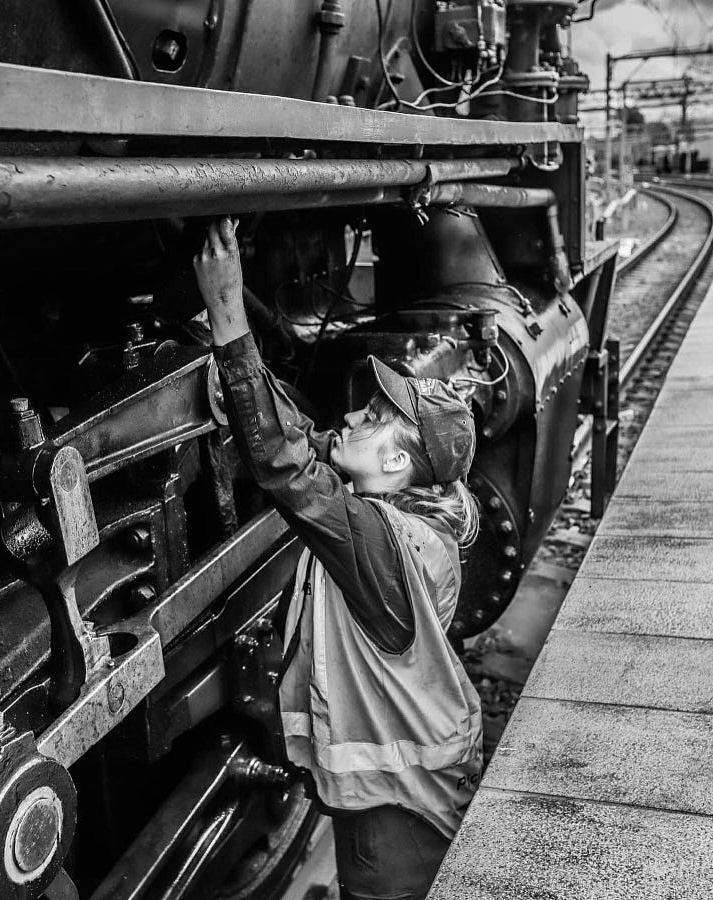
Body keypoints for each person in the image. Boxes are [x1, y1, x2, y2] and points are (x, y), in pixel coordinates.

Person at [194, 216, 483, 900]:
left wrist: (229, 311)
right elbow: (303, 440)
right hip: (401, 790)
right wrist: (233, 359)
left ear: (396, 462)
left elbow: (286, 468)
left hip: (397, 818)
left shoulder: (383, 543)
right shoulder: (413, 519)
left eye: (375, 418)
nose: (352, 417)